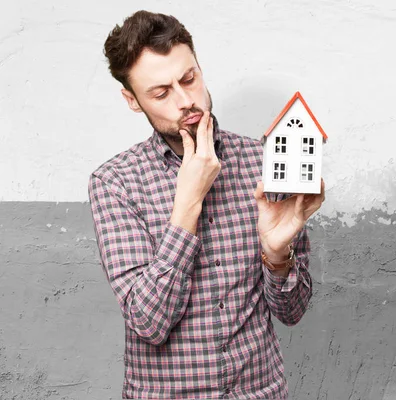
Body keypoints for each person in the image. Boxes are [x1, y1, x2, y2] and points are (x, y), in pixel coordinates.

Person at [88, 10, 325, 399]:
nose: (186, 101)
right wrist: (187, 204)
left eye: (189, 79)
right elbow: (148, 323)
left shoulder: (262, 163)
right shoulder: (115, 184)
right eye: (161, 93)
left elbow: (292, 312)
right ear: (132, 100)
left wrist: (277, 254)